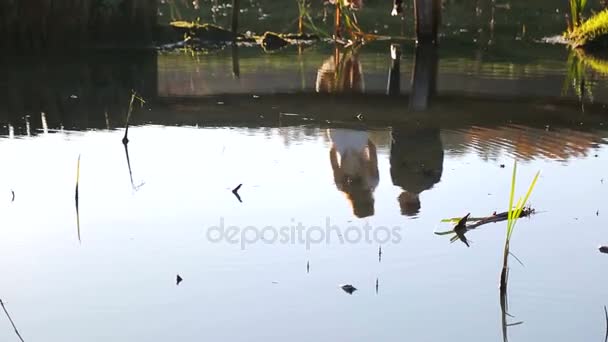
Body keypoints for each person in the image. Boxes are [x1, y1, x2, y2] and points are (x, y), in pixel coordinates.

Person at [390, 125, 444, 216]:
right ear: (406, 202)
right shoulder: (397, 180)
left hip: (430, 133)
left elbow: (439, 154)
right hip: (403, 132)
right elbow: (395, 155)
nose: (398, 199)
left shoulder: (434, 179)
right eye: (400, 203)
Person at [328, 129, 379, 218]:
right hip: (340, 140)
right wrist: (335, 142)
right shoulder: (342, 185)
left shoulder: (373, 182)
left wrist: (365, 139)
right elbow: (334, 161)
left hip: (358, 139)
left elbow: (373, 150)